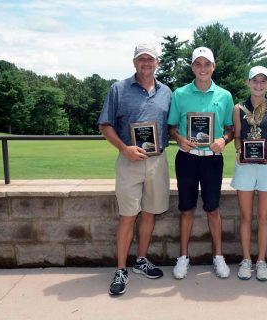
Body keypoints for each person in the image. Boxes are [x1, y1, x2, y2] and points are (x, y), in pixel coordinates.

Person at [98, 43, 171, 295]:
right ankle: (121, 269)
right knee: (128, 215)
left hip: (157, 161)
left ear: (157, 63)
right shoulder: (118, 89)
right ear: (134, 63)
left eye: (150, 59)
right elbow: (105, 125)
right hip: (129, 161)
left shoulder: (166, 92)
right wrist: (124, 148)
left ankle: (140, 260)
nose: (146, 63)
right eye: (142, 59)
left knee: (150, 212)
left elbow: (171, 126)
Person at [167, 47, 234, 279]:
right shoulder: (180, 94)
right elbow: (172, 127)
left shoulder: (224, 95)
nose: (203, 69)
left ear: (213, 67)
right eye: (198, 64)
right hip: (187, 159)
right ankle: (183, 257)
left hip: (212, 161)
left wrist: (224, 140)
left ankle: (218, 256)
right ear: (192, 67)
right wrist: (179, 139)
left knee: (213, 209)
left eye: (207, 64)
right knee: (186, 209)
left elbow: (230, 129)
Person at [231, 66, 267, 281]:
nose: (259, 84)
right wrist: (239, 149)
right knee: (245, 216)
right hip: (245, 166)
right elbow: (237, 136)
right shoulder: (238, 107)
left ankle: (261, 261)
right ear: (248, 82)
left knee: (263, 217)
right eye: (255, 80)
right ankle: (246, 260)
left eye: (263, 81)